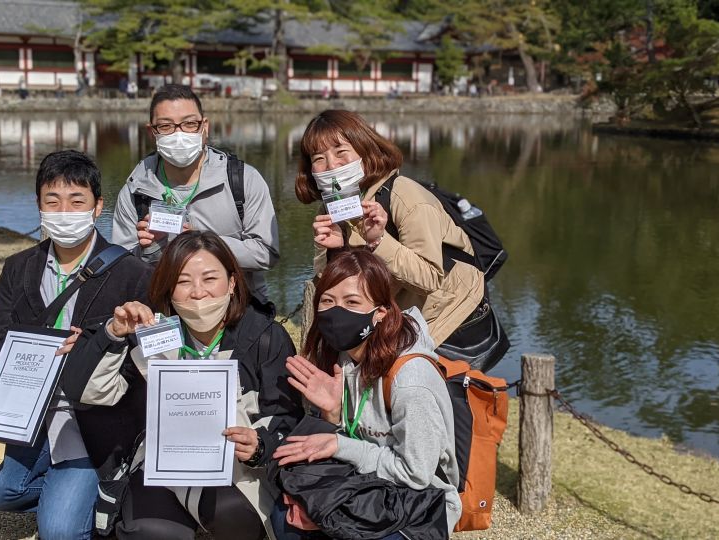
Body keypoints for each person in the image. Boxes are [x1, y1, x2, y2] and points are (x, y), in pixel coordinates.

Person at [0, 150, 153, 540]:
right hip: (32, 413)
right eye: (52, 201)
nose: (64, 211)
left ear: (97, 208)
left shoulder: (132, 273)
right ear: (38, 206)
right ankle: (75, 497)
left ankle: (93, 491)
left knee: (59, 532)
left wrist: (95, 348)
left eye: (77, 201)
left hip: (93, 420)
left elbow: (142, 366)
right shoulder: (19, 267)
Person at [61, 230, 302, 540]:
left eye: (209, 278)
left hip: (237, 468)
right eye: (184, 281)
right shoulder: (150, 332)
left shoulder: (265, 337)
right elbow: (89, 392)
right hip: (163, 464)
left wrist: (258, 444)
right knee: (149, 530)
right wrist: (113, 333)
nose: (198, 292)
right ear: (169, 289)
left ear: (232, 282)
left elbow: (287, 419)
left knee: (235, 514)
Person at [271, 249, 460, 537]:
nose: (337, 312)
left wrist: (340, 445)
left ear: (380, 313)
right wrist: (332, 415)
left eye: (352, 302)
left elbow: (416, 474)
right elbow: (349, 441)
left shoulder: (411, 381)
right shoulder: (341, 357)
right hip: (363, 481)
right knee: (285, 517)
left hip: (417, 500)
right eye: (328, 301)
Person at [294, 109, 489, 355]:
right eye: (318, 158)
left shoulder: (405, 197)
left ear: (365, 151)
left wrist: (379, 241)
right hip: (394, 318)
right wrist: (331, 252)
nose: (331, 165)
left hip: (449, 315)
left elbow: (429, 279)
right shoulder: (332, 208)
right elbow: (335, 290)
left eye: (341, 152)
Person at [110, 83, 279, 300]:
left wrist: (202, 242)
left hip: (238, 308)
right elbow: (122, 269)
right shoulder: (135, 190)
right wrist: (151, 248)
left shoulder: (242, 179)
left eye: (189, 124)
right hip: (167, 311)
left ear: (204, 126)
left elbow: (266, 253)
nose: (179, 134)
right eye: (166, 126)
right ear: (152, 132)